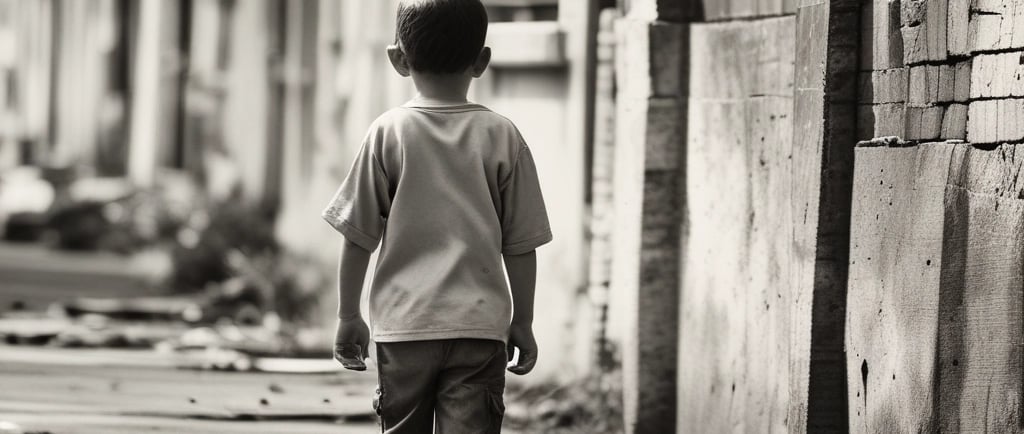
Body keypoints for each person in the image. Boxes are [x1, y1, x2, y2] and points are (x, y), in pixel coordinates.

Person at [321, 0, 552, 432]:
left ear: (398, 59)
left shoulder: (387, 133)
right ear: (481, 61)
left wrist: (348, 315)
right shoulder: (503, 136)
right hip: (479, 329)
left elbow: (357, 237)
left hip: (404, 326)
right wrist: (522, 320)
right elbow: (521, 245)